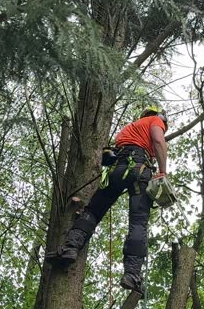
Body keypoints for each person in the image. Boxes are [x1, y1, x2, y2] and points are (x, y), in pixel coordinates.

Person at [48, 105, 169, 293]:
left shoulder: (129, 129)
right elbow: (159, 141)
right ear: (159, 116)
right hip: (139, 169)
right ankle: (132, 274)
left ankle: (70, 248)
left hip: (116, 170)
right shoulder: (155, 121)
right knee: (138, 222)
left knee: (93, 211)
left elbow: (109, 155)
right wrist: (163, 172)